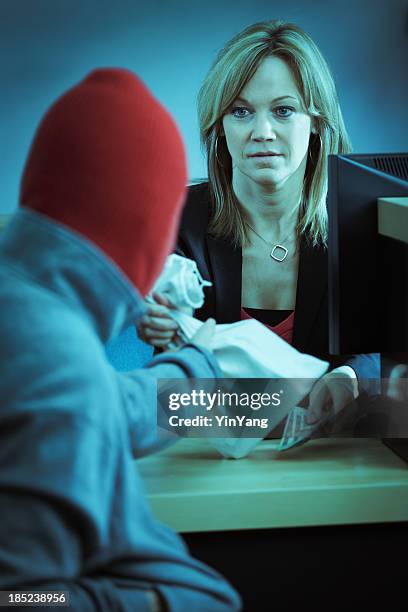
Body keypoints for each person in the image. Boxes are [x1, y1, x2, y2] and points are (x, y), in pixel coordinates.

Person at [0, 69, 241, 611]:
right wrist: (147, 603)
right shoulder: (58, 370)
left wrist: (195, 370)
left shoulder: (23, 311)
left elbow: (90, 404)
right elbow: (20, 600)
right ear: (151, 238)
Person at [138, 20, 380, 427]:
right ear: (221, 125)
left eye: (283, 111)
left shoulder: (355, 223)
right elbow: (167, 368)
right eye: (241, 111)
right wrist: (152, 320)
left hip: (324, 453)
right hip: (202, 443)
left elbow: (381, 350)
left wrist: (348, 377)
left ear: (316, 121)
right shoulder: (179, 217)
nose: (262, 132)